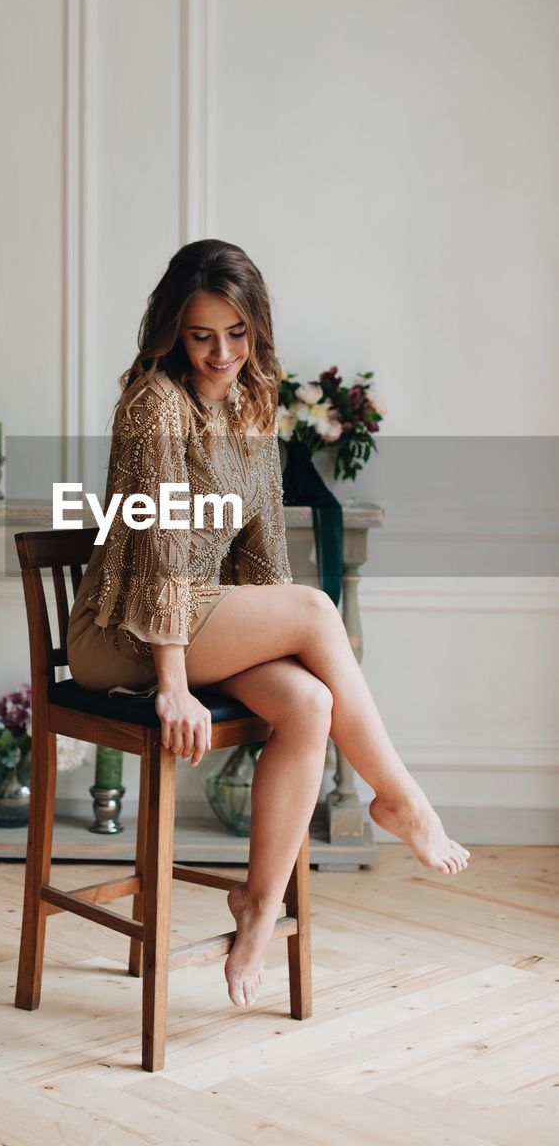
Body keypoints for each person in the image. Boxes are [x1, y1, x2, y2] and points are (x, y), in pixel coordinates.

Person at [66, 238, 470, 1010]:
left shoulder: (256, 400)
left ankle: (258, 905)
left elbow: (261, 550)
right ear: (173, 333)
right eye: (201, 334)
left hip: (205, 614)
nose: (221, 353)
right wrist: (175, 685)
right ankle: (402, 799)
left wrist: (285, 641)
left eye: (237, 333)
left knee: (311, 704)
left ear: (257, 330)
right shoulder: (155, 403)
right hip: (125, 631)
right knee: (317, 610)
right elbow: (159, 544)